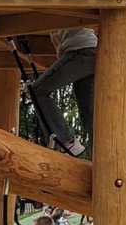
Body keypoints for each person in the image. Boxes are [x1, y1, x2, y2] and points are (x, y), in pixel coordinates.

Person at [32, 28, 96, 157]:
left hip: (79, 50)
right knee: (89, 113)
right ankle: (101, 155)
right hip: (89, 50)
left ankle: (66, 141)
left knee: (37, 90)